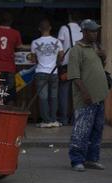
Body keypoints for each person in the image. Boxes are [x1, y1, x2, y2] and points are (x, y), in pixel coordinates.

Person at [68, 19, 109, 172]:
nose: (95, 33)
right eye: (92, 31)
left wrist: (103, 57)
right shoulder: (76, 50)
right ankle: (77, 160)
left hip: (99, 96)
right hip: (86, 98)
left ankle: (92, 159)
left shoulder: (95, 47)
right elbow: (74, 75)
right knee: (81, 130)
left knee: (97, 129)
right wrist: (85, 93)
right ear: (84, 32)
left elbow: (98, 67)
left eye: (96, 31)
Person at [31, 19, 64, 128]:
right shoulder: (57, 42)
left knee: (43, 98)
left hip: (41, 72)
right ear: (50, 28)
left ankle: (46, 121)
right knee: (54, 97)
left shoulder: (35, 43)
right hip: (53, 73)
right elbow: (61, 57)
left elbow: (33, 60)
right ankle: (54, 120)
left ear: (39, 29)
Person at [57, 11, 83, 125]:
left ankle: (63, 119)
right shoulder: (82, 29)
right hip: (79, 65)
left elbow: (59, 46)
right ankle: (75, 119)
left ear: (69, 17)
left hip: (66, 66)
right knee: (77, 94)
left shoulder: (64, 28)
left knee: (64, 92)